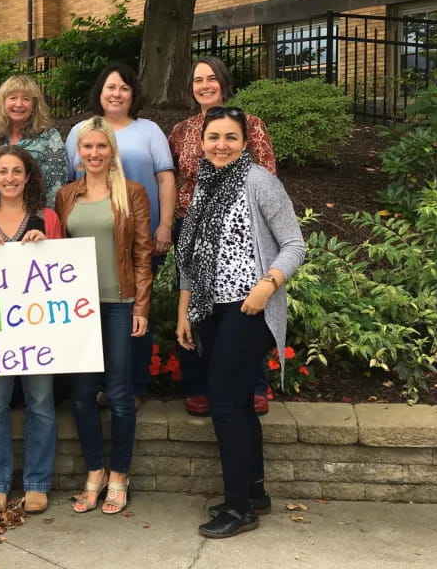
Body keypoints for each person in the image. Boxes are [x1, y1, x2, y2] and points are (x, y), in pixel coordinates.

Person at [175, 106, 304, 539]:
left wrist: (267, 285)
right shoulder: (204, 187)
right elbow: (190, 259)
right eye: (214, 137)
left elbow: (293, 244)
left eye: (230, 137)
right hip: (211, 308)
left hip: (249, 308)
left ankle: (237, 509)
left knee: (226, 403)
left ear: (245, 142)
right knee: (239, 404)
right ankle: (254, 492)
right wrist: (184, 311)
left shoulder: (260, 182)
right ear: (202, 141)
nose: (221, 145)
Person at [168, 56, 277, 417]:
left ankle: (254, 385)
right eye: (198, 80)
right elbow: (173, 180)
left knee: (243, 309)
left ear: (223, 82)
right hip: (191, 226)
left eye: (211, 78)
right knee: (197, 309)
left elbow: (266, 175)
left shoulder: (250, 124)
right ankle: (199, 385)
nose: (204, 86)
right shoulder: (182, 131)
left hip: (238, 229)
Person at [55, 116, 153, 516]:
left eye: (101, 146)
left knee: (118, 394)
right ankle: (94, 472)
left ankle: (119, 474)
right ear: (78, 152)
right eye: (87, 147)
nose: (94, 154)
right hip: (78, 309)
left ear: (112, 150)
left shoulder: (132, 193)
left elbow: (143, 253)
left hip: (118, 303)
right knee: (81, 396)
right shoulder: (66, 196)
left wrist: (141, 306)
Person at [0, 146, 63, 515]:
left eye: (17, 171)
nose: (9, 178)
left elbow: (63, 274)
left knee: (40, 403)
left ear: (28, 176)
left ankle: (37, 482)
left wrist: (47, 247)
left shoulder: (47, 217)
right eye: (2, 171)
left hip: (37, 333)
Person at [64, 63, 174, 405]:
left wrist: (165, 224)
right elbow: (71, 184)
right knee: (93, 316)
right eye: (110, 87)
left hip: (139, 240)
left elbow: (166, 178)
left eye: (123, 88)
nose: (116, 93)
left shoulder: (149, 131)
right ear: (100, 92)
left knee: (137, 314)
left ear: (133, 94)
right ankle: (97, 386)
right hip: (91, 244)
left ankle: (134, 386)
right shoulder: (80, 131)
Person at [0, 75, 67, 209]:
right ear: (2, 103)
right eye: (13, 98)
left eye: (26, 99)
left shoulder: (49, 138)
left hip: (37, 215)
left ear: (34, 105)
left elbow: (56, 185)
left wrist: (46, 220)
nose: (19, 104)